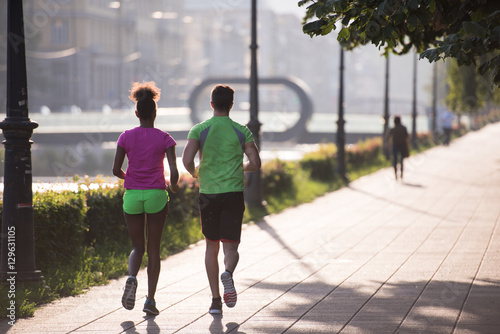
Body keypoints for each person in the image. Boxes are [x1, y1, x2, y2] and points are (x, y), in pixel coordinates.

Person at [182, 84, 261, 315]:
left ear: (212, 104)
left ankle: (216, 300)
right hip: (234, 193)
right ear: (232, 105)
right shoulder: (242, 131)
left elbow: (186, 160)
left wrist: (197, 172)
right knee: (231, 245)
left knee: (211, 246)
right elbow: (255, 164)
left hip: (208, 194)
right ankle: (228, 272)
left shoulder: (200, 129)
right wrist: (241, 167)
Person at [112, 81, 179, 316]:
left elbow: (115, 170)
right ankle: (150, 301)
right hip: (156, 196)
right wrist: (174, 185)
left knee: (137, 247)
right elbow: (174, 170)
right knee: (154, 248)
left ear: (137, 113)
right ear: (155, 113)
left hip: (132, 196)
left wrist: (129, 178)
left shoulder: (125, 137)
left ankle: (131, 277)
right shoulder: (165, 138)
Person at [386, 115, 409, 180]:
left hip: (395, 146)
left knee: (395, 160)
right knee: (401, 160)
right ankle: (401, 173)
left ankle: (395, 173)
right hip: (402, 145)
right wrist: (407, 145)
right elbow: (407, 138)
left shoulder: (392, 129)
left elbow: (388, 138)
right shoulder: (403, 128)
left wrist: (388, 145)